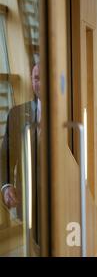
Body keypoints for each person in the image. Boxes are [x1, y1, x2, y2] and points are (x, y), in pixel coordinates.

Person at [0, 63, 41, 243]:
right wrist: (6, 185)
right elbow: (5, 156)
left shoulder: (71, 111)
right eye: (36, 78)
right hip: (27, 200)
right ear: (32, 82)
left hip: (63, 199)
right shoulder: (16, 114)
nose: (40, 83)